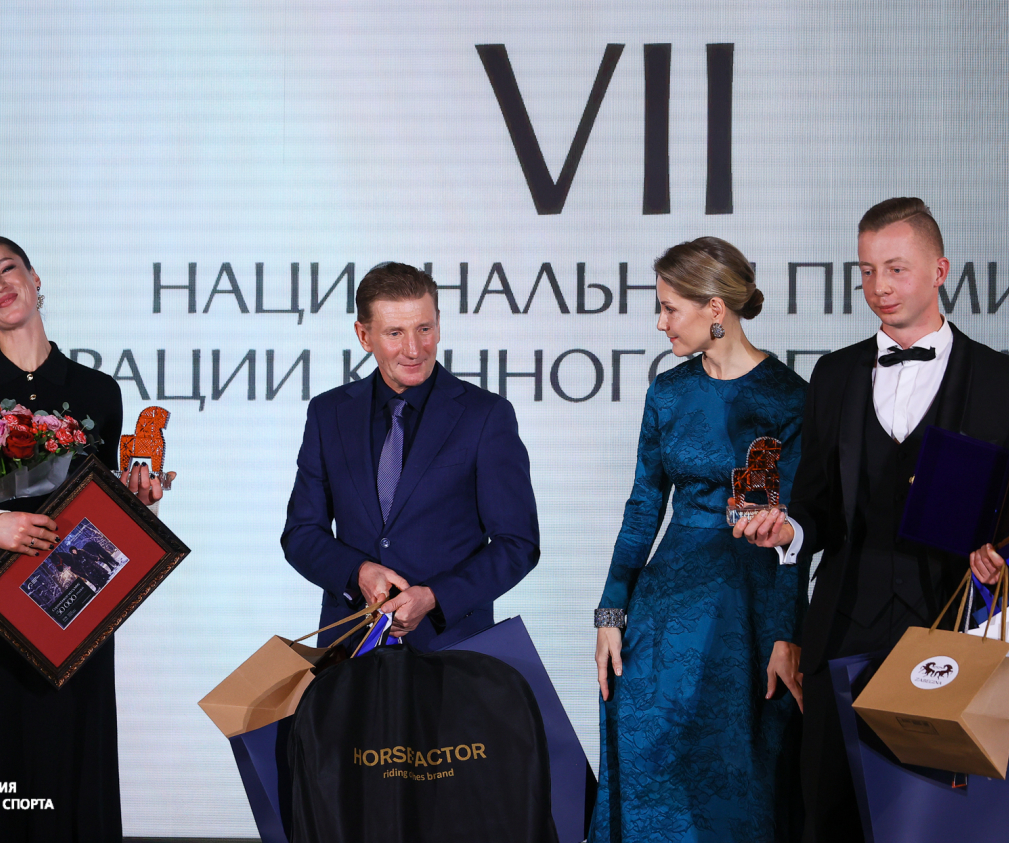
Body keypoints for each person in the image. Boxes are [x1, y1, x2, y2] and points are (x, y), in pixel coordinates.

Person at [734, 198, 1009, 842]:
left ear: (940, 271)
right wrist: (789, 531)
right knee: (831, 820)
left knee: (939, 827)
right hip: (841, 636)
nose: (879, 286)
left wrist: (1003, 557)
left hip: (952, 636)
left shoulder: (1008, 381)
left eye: (897, 269)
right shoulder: (833, 374)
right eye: (867, 270)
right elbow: (816, 504)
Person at [0, 235, 165, 842]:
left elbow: (102, 515)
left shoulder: (98, 392)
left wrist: (136, 501)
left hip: (72, 614)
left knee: (70, 769)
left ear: (34, 279)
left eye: (7, 269)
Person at [591, 237, 808, 843]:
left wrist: (786, 633)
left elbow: (798, 531)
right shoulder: (668, 392)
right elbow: (643, 506)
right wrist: (610, 612)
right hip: (665, 608)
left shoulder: (789, 397)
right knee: (649, 758)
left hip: (749, 609)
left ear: (715, 308)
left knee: (741, 775)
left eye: (669, 308)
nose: (660, 323)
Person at [281, 262, 540, 649]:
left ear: (439, 325)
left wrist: (435, 597)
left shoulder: (486, 415)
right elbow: (301, 533)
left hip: (450, 652)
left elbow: (517, 543)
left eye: (424, 329)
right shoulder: (328, 413)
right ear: (364, 336)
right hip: (349, 651)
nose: (414, 349)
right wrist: (358, 572)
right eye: (395, 333)